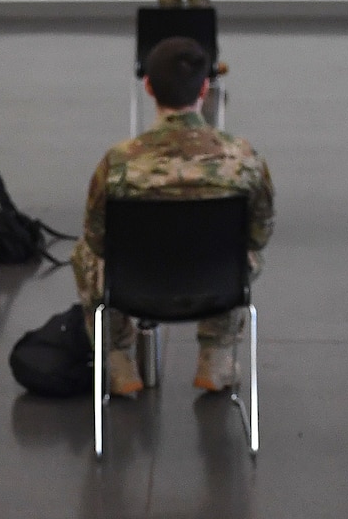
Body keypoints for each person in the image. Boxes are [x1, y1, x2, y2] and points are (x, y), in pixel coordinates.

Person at [70, 36, 273, 396]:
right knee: (241, 250)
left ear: (147, 86)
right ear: (205, 87)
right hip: (216, 283)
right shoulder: (241, 158)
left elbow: (98, 238)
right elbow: (259, 234)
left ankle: (118, 361)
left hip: (135, 285)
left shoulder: (119, 161)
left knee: (85, 254)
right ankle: (217, 358)